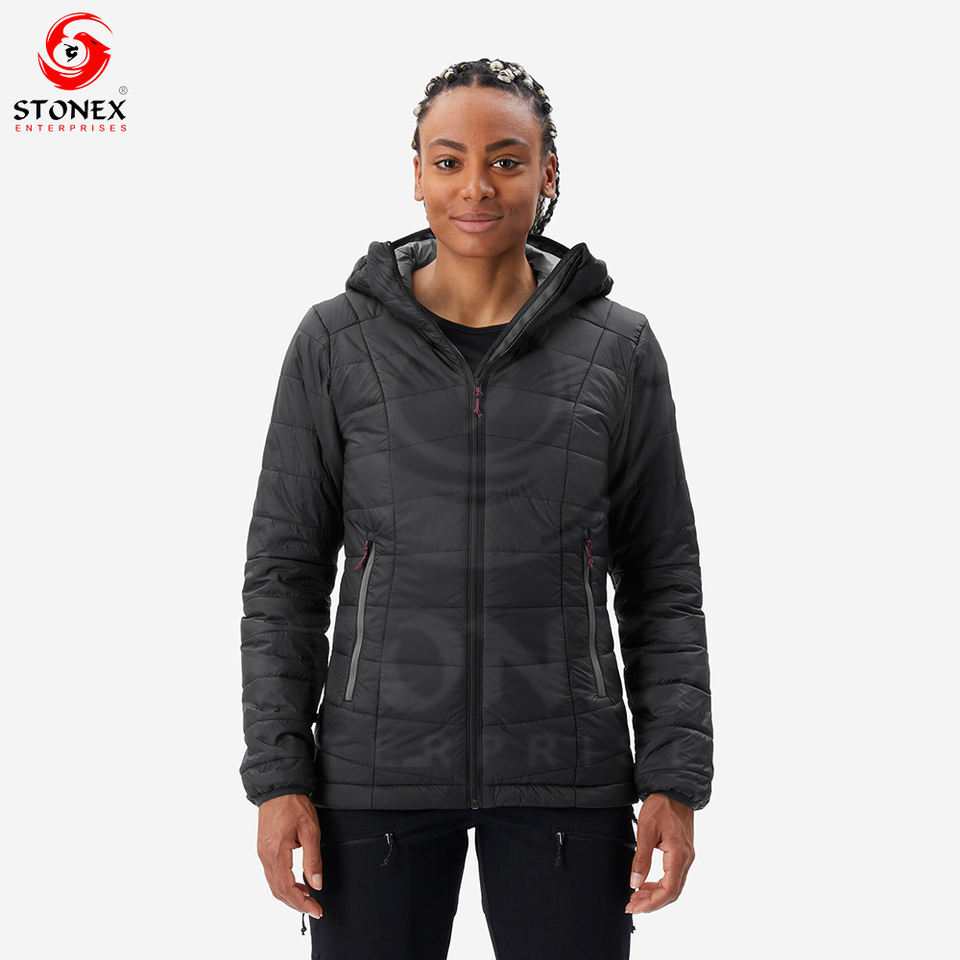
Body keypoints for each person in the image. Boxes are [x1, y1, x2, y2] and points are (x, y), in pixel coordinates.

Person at [239, 57, 714, 960]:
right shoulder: (336, 342)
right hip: (372, 778)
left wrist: (675, 779)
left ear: (547, 172)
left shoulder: (618, 348)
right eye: (449, 160)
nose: (476, 187)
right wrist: (277, 775)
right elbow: (284, 576)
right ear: (417, 174)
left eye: (506, 160)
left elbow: (662, 579)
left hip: (567, 779)